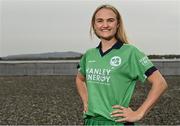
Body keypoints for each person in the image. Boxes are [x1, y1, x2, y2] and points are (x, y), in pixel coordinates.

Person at [76, 4, 168, 125]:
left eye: (110, 20)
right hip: (91, 122)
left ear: (118, 24)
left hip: (116, 122)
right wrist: (86, 101)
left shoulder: (130, 52)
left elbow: (160, 83)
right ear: (94, 25)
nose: (105, 25)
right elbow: (79, 78)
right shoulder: (89, 54)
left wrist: (139, 113)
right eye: (100, 21)